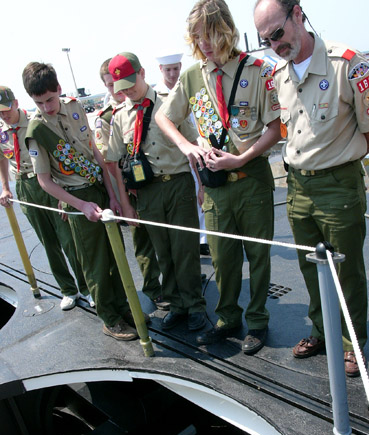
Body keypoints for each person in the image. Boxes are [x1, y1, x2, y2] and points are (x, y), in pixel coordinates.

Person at [254, 0, 369, 376]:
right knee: (310, 267)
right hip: (298, 188)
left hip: (337, 186)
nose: (275, 45)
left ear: (298, 14)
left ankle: (352, 342)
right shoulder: (278, 74)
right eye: (266, 41)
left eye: (277, 33)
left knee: (346, 271)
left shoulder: (346, 64)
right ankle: (322, 330)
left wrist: (340, 160)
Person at [156, 0, 281, 356]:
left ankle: (257, 319)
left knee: (258, 255)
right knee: (223, 257)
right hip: (215, 186)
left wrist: (241, 157)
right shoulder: (193, 75)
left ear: (225, 29)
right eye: (197, 38)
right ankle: (227, 318)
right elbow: (166, 117)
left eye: (209, 35)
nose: (204, 44)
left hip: (251, 177)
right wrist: (186, 146)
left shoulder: (257, 70)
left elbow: (275, 128)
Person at [22, 61, 142, 341]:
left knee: (116, 256)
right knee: (95, 264)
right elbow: (45, 182)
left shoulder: (75, 107)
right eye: (39, 103)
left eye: (51, 99)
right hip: (77, 200)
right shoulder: (36, 131)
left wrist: (111, 192)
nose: (48, 107)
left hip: (99, 189)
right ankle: (110, 319)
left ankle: (124, 308)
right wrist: (80, 206)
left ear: (59, 89)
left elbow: (93, 152)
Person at [106, 52, 206, 331]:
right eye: (121, 88)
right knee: (163, 252)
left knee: (185, 249)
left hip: (177, 183)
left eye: (130, 84)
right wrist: (126, 205)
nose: (127, 92)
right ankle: (176, 305)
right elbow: (114, 162)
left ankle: (195, 305)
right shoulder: (121, 117)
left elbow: (192, 144)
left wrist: (201, 187)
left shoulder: (168, 101)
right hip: (147, 192)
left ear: (142, 74)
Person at [0, 85, 92, 311]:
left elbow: (54, 158)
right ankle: (68, 290)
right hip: (25, 186)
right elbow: (2, 158)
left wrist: (62, 194)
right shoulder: (1, 131)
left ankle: (87, 288)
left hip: (49, 183)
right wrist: (5, 187)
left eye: (6, 109)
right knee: (48, 243)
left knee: (69, 240)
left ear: (16, 103)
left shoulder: (35, 123)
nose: (4, 114)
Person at [97, 58, 166, 311]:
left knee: (167, 237)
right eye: (110, 85)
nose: (117, 90)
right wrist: (122, 197)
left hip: (152, 181)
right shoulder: (108, 118)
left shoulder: (149, 103)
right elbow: (110, 161)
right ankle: (153, 288)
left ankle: (175, 282)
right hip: (129, 184)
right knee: (143, 241)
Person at [155, 52, 210, 257]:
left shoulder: (188, 87)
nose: (172, 73)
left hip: (196, 147)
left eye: (176, 69)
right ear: (161, 70)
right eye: (168, 70)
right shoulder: (157, 96)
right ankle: (194, 240)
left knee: (200, 191)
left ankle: (203, 238)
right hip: (174, 154)